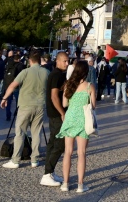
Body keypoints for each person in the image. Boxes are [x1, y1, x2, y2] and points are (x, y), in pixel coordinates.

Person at [1, 50, 50, 169]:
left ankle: (16, 159)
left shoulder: (25, 72)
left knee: (20, 133)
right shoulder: (47, 72)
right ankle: (34, 159)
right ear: (39, 60)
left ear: (29, 60)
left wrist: (4, 98)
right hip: (40, 105)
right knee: (36, 132)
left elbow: (13, 85)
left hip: (25, 105)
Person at [57, 60, 95, 193]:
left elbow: (64, 104)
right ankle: (80, 184)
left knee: (67, 152)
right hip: (83, 121)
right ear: (86, 72)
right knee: (81, 153)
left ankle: (65, 183)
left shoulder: (68, 85)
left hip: (70, 119)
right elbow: (93, 106)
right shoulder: (90, 87)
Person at [41, 51, 69, 187]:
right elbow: (54, 96)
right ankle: (47, 174)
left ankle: (49, 172)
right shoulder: (57, 74)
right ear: (57, 61)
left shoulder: (57, 74)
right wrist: (62, 112)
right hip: (56, 114)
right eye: (64, 61)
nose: (67, 63)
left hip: (53, 113)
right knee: (59, 144)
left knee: (52, 142)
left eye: (67, 61)